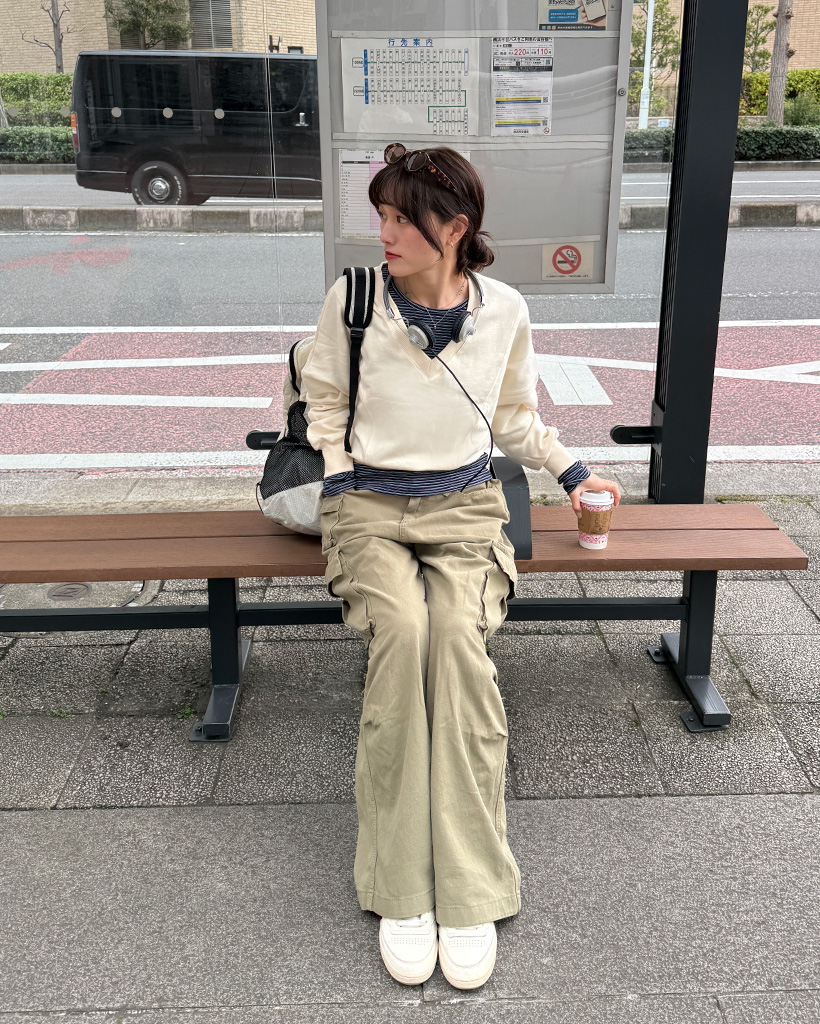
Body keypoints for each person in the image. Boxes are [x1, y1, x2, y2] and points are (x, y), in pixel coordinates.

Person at [300, 143, 621, 990]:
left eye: (401, 218)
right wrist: (338, 472)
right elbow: (323, 397)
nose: (384, 232)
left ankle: (471, 886)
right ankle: (401, 888)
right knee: (402, 637)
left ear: (454, 228)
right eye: (381, 215)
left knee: (457, 648)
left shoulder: (504, 309)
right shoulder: (355, 299)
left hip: (467, 508)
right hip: (368, 507)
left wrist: (574, 472)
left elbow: (513, 416)